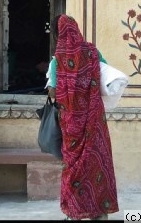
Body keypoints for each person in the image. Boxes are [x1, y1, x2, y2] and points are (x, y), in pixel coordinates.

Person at [47, 15, 119, 220]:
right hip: (94, 121)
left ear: (57, 35)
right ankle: (99, 212)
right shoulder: (93, 52)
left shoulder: (57, 60)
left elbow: (53, 91)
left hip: (70, 126)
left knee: (73, 167)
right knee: (97, 163)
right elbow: (106, 75)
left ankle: (74, 213)